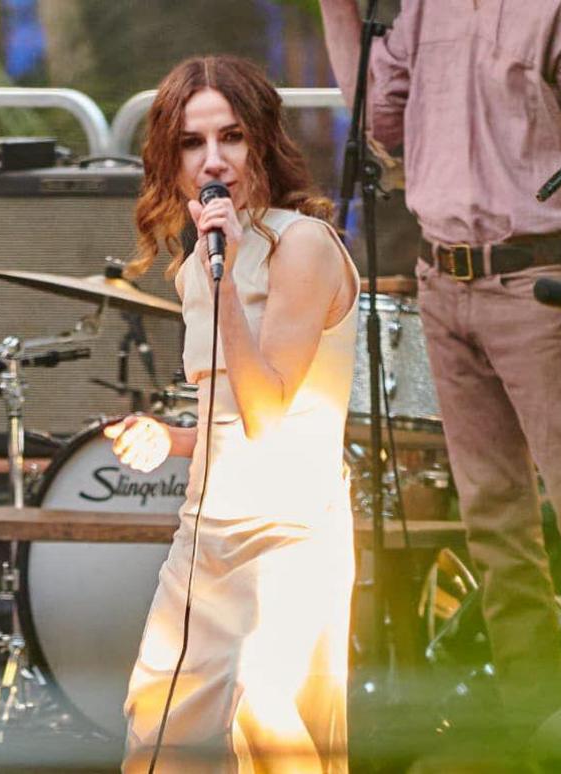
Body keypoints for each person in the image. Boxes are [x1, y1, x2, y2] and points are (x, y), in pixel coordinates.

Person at [318, 0, 561, 715]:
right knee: (493, 520)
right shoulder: (426, 9)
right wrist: (336, 14)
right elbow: (377, 124)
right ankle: (541, 723)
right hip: (445, 279)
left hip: (541, 283)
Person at [106, 55, 361, 772]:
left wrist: (224, 288)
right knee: (158, 733)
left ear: (262, 143)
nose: (213, 160)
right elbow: (229, 418)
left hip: (287, 535)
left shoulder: (300, 246)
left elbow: (270, 412)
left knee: (269, 731)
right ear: (171, 157)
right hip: (206, 536)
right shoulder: (197, 264)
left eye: (232, 138)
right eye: (192, 143)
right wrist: (173, 438)